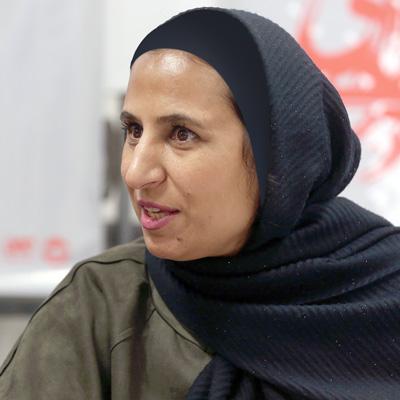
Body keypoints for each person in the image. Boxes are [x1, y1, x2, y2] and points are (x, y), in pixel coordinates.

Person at [1, 7, 400, 400]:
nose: (136, 173)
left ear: (279, 157)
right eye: (133, 130)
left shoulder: (387, 289)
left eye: (181, 134)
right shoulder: (99, 306)